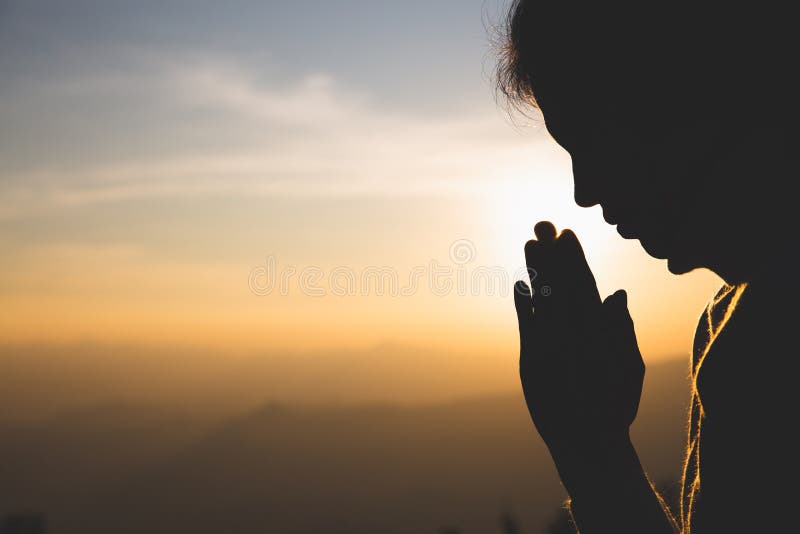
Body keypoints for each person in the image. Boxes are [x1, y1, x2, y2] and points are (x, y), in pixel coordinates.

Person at [497, 3, 798, 533]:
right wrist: (592, 445)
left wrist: (591, 454)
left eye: (594, 138)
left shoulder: (766, 346)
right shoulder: (731, 320)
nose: (583, 191)